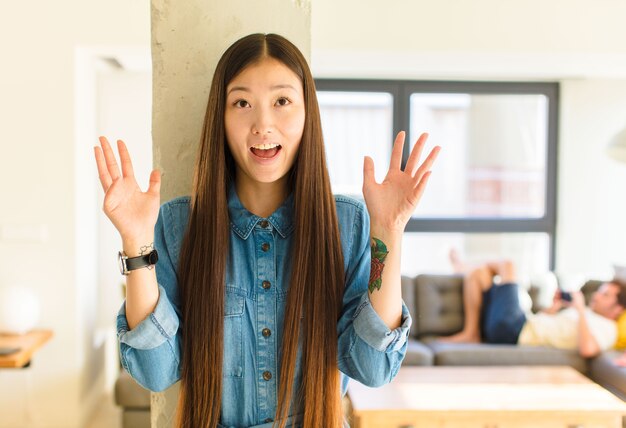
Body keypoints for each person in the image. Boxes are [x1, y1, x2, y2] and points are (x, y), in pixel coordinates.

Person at [93, 33, 439, 428]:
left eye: (282, 101)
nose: (262, 124)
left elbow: (374, 368)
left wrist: (389, 231)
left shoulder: (349, 224)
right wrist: (135, 241)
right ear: (220, 118)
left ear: (307, 112)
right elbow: (156, 372)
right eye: (242, 103)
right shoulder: (178, 226)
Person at [441, 255, 626, 359]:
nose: (596, 295)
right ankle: (472, 333)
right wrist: (553, 309)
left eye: (605, 295)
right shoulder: (587, 313)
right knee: (479, 275)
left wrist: (579, 310)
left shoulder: (608, 329)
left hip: (515, 330)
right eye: (600, 291)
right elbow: (546, 325)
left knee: (508, 264)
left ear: (618, 309)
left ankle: (463, 266)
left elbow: (588, 349)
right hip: (518, 325)